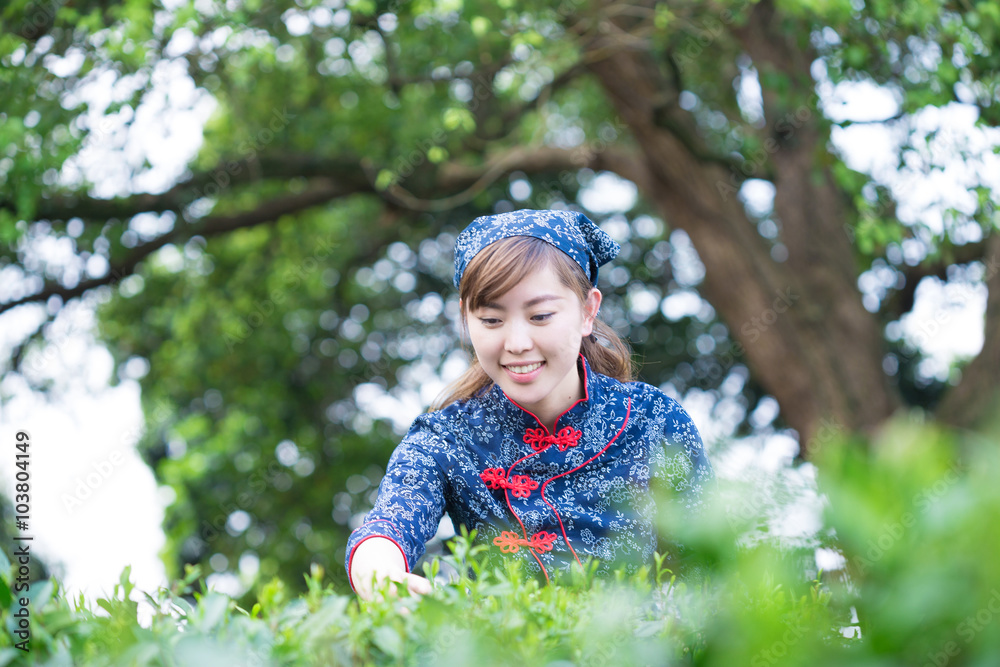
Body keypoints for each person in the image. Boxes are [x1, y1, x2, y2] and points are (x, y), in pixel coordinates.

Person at [345, 209, 713, 600]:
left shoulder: (652, 420)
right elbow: (390, 522)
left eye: (540, 316)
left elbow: (710, 572)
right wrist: (380, 577)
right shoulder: (446, 438)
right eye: (490, 320)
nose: (517, 343)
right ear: (465, 318)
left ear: (588, 310)